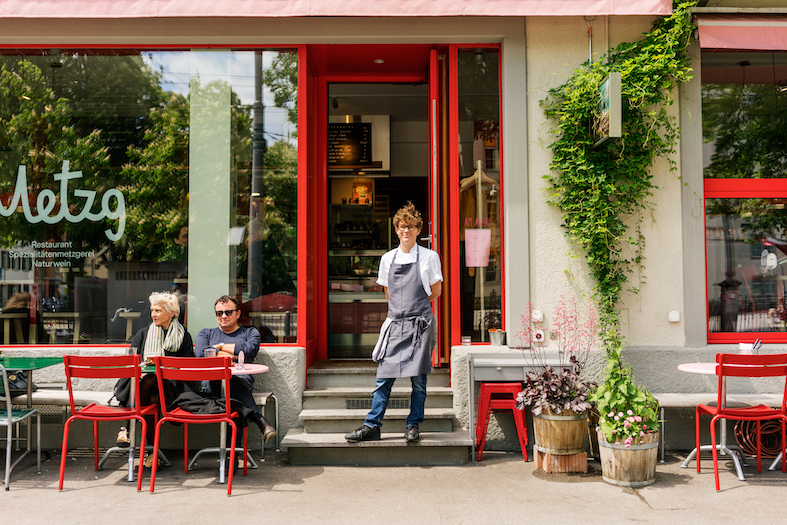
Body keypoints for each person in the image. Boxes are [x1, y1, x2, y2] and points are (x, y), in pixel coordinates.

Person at [345, 202, 443, 443]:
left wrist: (415, 308)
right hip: (395, 324)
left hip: (420, 326)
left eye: (410, 226)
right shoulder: (388, 258)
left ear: (418, 229)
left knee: (418, 382)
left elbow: (436, 291)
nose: (405, 231)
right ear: (396, 230)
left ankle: (413, 426)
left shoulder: (430, 257)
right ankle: (372, 425)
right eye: (401, 227)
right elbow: (389, 293)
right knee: (383, 378)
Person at [115, 291, 194, 467]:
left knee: (152, 385)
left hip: (172, 389)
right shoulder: (144, 333)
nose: (153, 314)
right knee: (151, 398)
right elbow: (131, 361)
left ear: (171, 313)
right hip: (146, 388)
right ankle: (151, 454)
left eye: (158, 310)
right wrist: (143, 369)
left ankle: (125, 428)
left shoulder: (182, 336)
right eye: (152, 310)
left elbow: (188, 367)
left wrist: (165, 368)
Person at [195, 295, 277, 443]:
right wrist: (235, 355)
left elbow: (248, 351)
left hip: (240, 382)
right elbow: (202, 355)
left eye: (228, 312)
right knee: (234, 393)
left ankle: (230, 455)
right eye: (219, 313)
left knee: (233, 397)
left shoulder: (250, 333)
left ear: (238, 314)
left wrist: (218, 348)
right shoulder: (205, 333)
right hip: (211, 386)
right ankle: (258, 420)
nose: (224, 316)